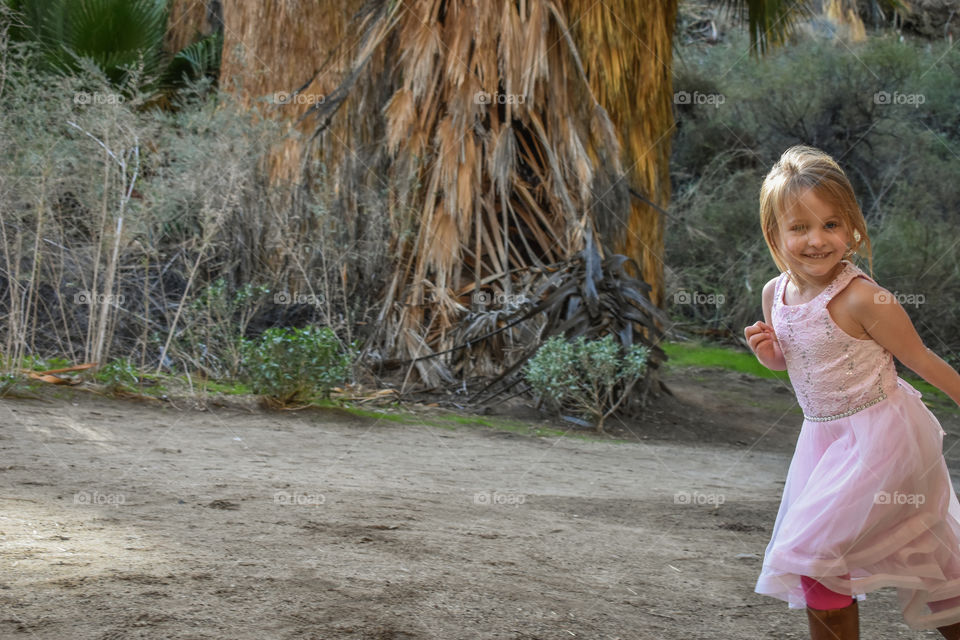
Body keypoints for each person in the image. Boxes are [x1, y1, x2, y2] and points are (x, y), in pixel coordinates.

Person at [744, 145, 960, 639]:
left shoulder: (864, 297)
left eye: (832, 225)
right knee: (928, 553)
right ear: (774, 233)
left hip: (882, 437)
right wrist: (770, 356)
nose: (817, 240)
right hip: (823, 443)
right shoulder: (773, 294)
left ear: (854, 229)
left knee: (814, 553)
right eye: (799, 227)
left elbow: (921, 359)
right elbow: (802, 362)